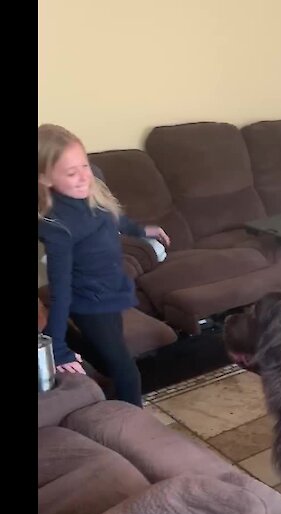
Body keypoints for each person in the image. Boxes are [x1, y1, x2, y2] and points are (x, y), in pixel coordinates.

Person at [38, 124, 171, 407]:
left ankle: (71, 344)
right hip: (90, 302)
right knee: (127, 373)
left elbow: (114, 218)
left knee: (107, 357)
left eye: (84, 165)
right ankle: (133, 427)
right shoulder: (59, 226)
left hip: (111, 292)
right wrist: (57, 348)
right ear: (45, 178)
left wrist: (141, 230)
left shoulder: (92, 187)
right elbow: (60, 292)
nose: (83, 177)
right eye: (71, 173)